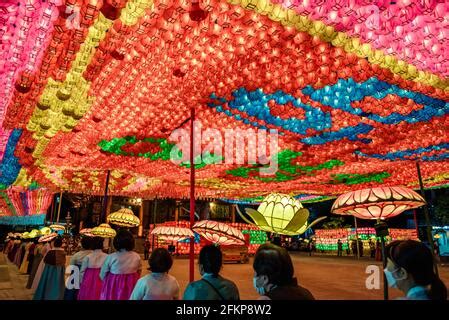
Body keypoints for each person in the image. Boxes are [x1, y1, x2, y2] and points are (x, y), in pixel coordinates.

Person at [100, 230, 142, 300]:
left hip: (114, 286)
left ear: (116, 242)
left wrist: (106, 282)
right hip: (131, 285)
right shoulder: (136, 256)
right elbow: (139, 271)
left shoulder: (111, 257)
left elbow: (102, 273)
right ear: (132, 242)